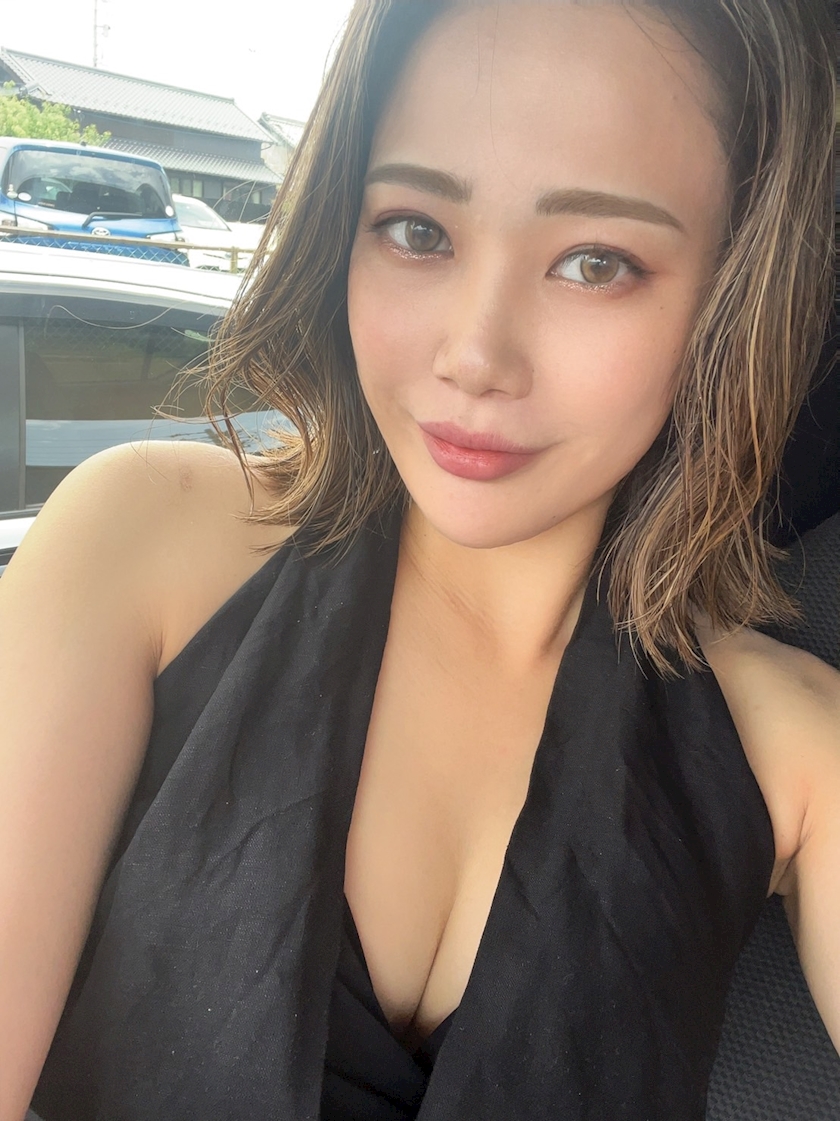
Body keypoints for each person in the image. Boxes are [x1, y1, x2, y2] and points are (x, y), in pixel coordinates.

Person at [1, 1, 837, 1119]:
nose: (475, 354)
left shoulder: (790, 746)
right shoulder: (140, 543)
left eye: (596, 261)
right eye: (417, 231)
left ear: (733, 295)